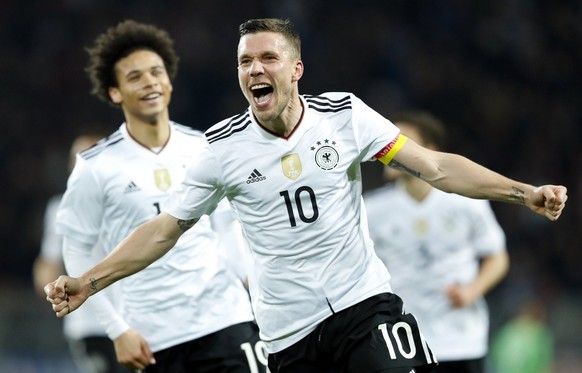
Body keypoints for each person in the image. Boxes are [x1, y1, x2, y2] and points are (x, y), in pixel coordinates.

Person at [45, 18, 568, 373]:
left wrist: (523, 193)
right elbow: (165, 230)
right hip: (288, 331)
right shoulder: (221, 149)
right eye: (246, 62)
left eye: (268, 58)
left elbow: (434, 167)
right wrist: (89, 283)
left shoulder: (344, 116)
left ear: (296, 69)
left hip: (363, 304)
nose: (255, 70)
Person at [51, 20, 265, 372]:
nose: (150, 81)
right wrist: (117, 330)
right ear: (114, 92)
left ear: (168, 81)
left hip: (226, 321)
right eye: (135, 76)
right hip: (152, 338)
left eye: (156, 72)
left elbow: (229, 230)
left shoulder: (203, 148)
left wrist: (254, 294)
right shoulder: (94, 166)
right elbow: (76, 250)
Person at [363, 111, 510, 373]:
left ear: (428, 151)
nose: (390, 151)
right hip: (401, 342)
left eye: (401, 142)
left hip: (461, 338)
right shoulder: (371, 209)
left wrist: (472, 290)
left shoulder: (466, 203)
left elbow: (497, 257)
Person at [33, 132, 128, 373]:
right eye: (78, 158)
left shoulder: (130, 202)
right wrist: (50, 286)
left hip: (135, 317)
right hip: (90, 323)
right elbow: (48, 262)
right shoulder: (60, 208)